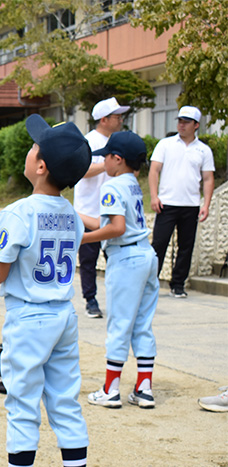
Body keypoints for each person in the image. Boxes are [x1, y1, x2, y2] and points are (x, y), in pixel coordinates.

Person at [0, 115, 91, 467]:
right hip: (63, 315)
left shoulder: (18, 212)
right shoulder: (71, 213)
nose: (29, 150)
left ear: (40, 166)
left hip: (28, 318)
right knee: (65, 402)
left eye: (33, 147)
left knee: (23, 405)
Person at [80, 132, 159, 410]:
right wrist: (77, 215)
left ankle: (111, 389)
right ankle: (144, 387)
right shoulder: (132, 184)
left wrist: (81, 238)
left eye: (106, 156)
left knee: (119, 325)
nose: (104, 162)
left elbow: (116, 228)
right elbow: (111, 222)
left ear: (118, 159)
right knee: (141, 324)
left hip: (126, 258)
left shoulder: (112, 186)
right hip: (146, 254)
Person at [149, 105, 215, 298]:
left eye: (186, 122)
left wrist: (206, 204)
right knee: (159, 244)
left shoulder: (203, 150)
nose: (181, 125)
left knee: (186, 246)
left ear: (196, 125)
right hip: (166, 203)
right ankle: (150, 282)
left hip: (191, 205)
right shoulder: (165, 144)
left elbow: (208, 178)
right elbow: (154, 170)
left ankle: (178, 285)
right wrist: (154, 196)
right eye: (180, 121)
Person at [73, 97, 130, 318]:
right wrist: (106, 165)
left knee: (115, 259)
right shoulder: (88, 142)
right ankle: (91, 300)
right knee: (88, 260)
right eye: (117, 117)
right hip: (88, 212)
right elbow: (82, 170)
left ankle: (120, 301)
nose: (121, 120)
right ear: (104, 119)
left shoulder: (118, 141)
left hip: (111, 213)